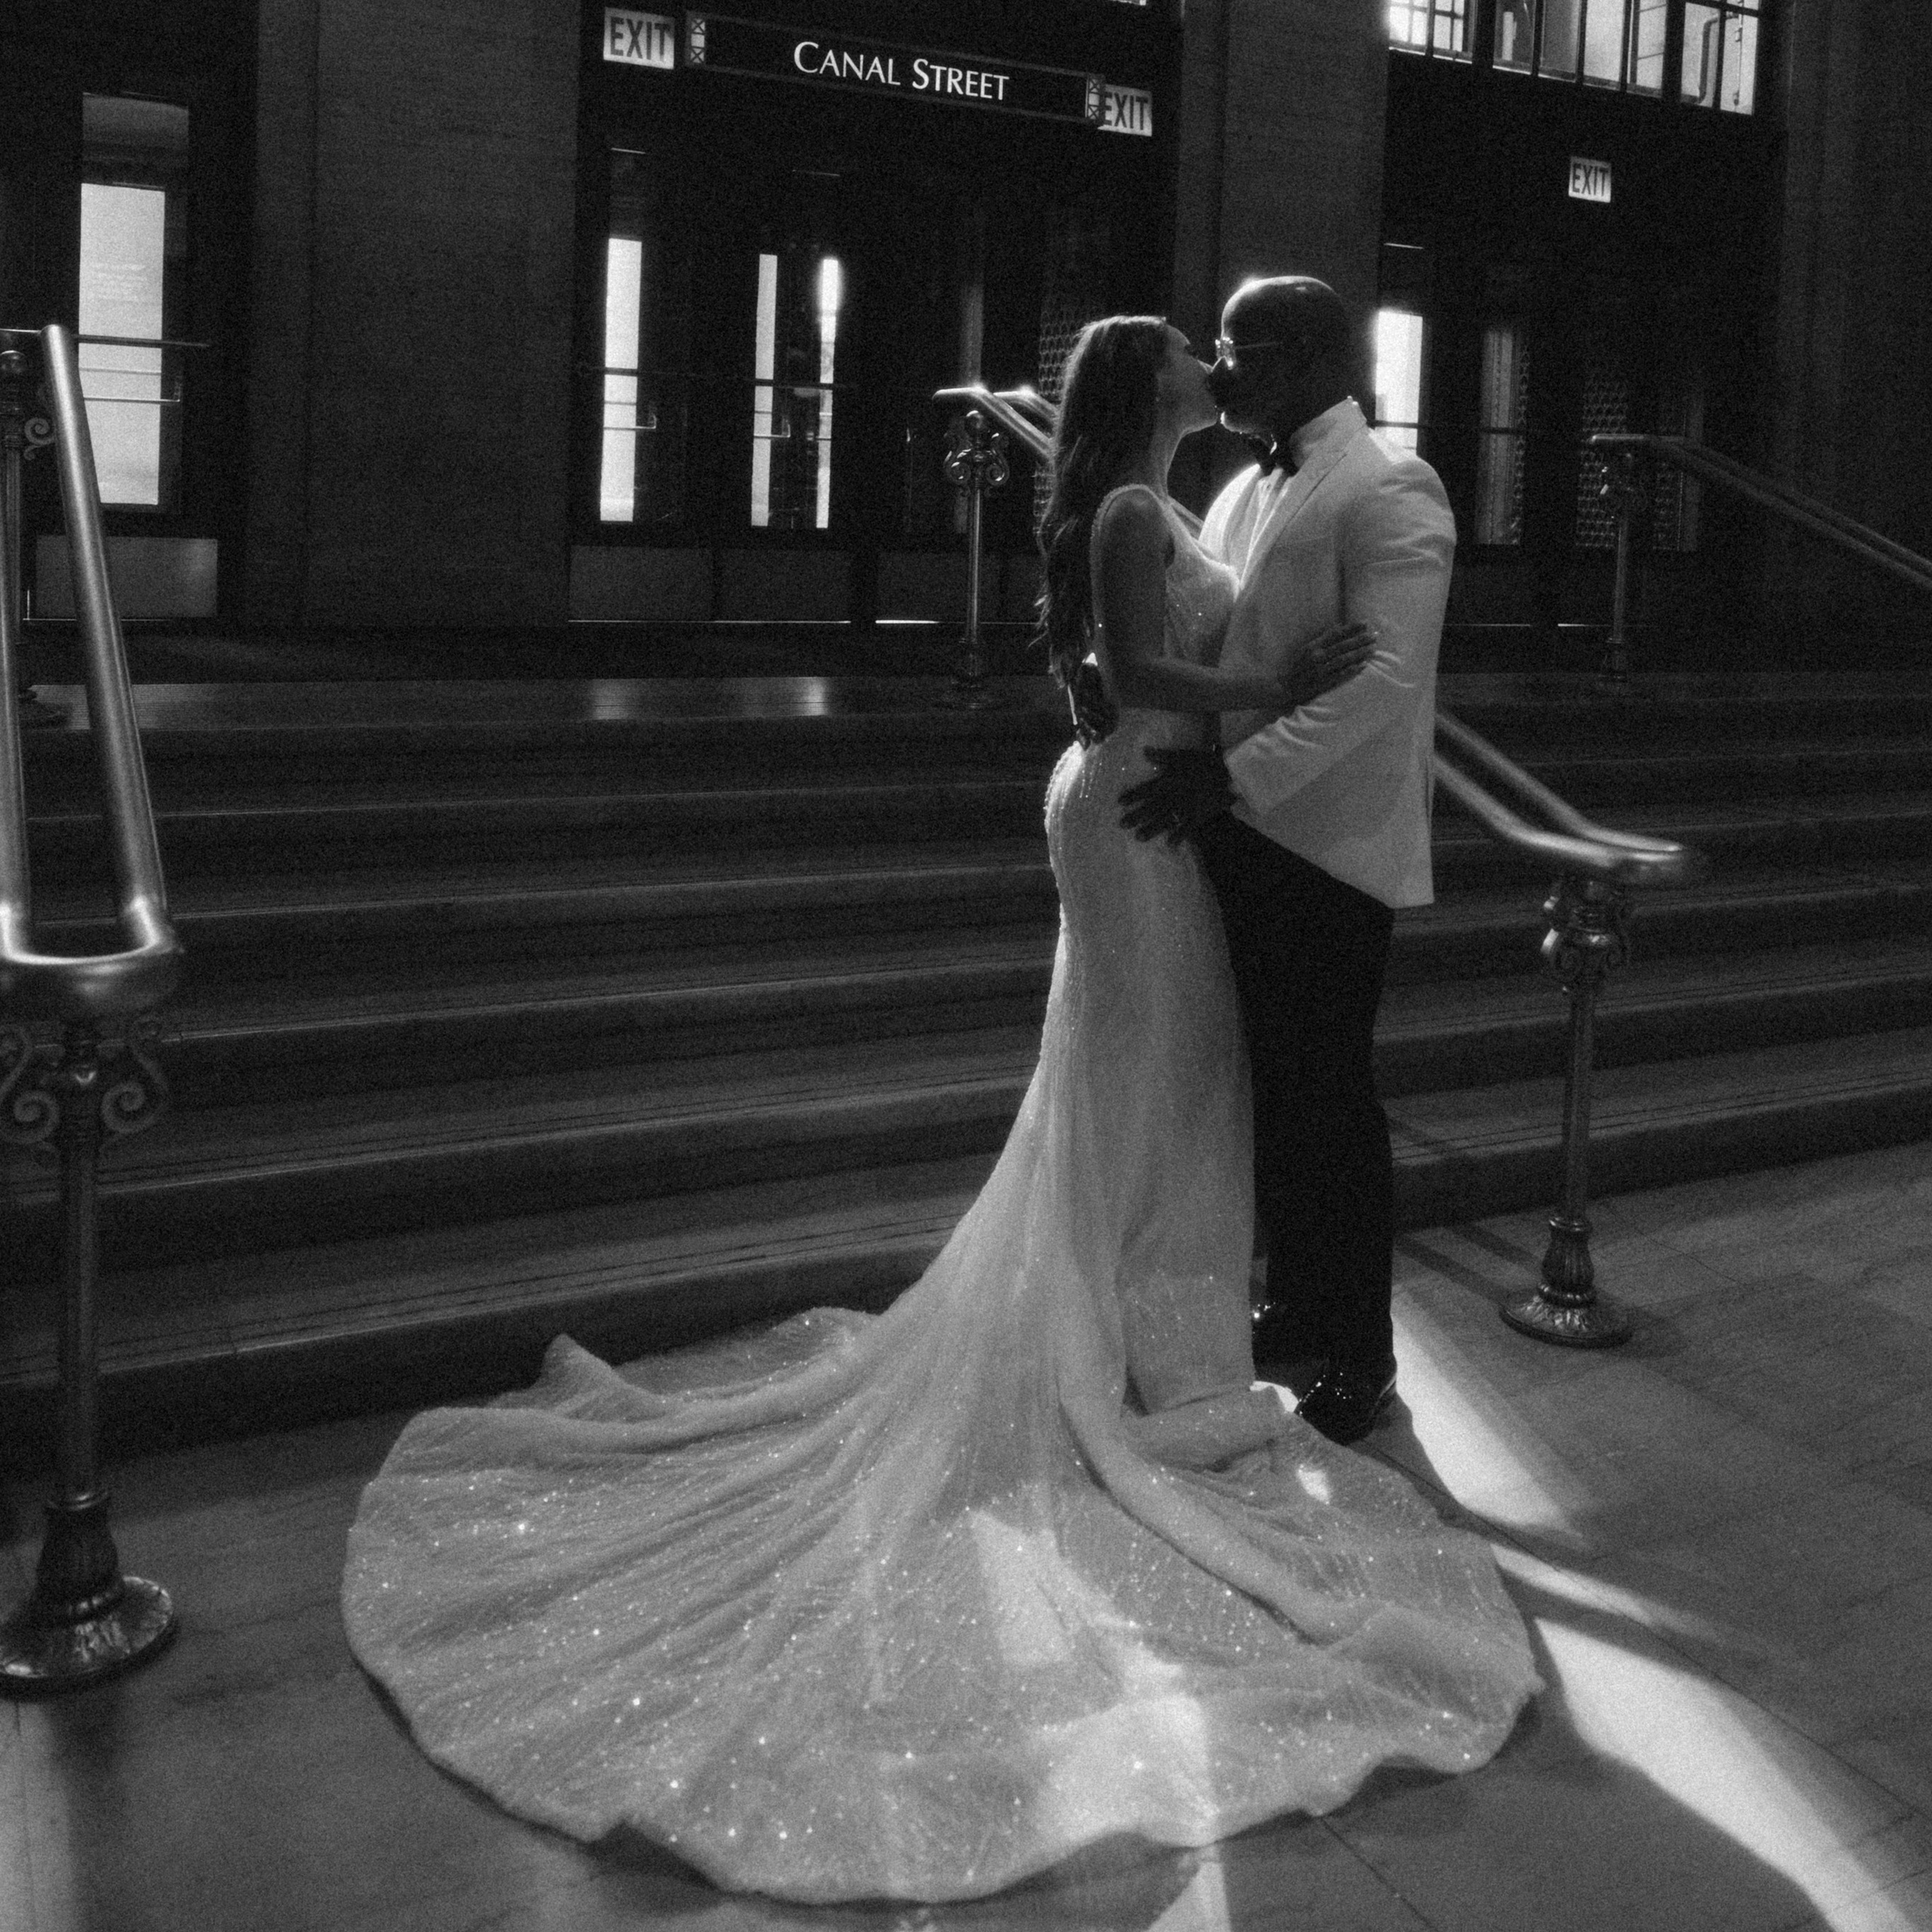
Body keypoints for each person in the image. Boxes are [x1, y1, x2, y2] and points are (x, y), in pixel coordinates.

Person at [340, 315, 1538, 1908]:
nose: (1210, 357)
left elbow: (1201, 658)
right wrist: (1263, 677)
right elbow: (1132, 672)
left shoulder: (1197, 500)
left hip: (1169, 812)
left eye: (1226, 342)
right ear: (1148, 389)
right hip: (1136, 812)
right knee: (1143, 1072)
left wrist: (1256, 696)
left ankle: (1155, 1318)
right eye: (1192, 349)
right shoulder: (1129, 512)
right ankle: (1135, 1332)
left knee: (1169, 1078)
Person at [1119, 275, 1454, 1447]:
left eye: (1238, 349)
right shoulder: (1234, 492)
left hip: (1330, 849)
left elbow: (1382, 684)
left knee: (1332, 1103)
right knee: (1273, 1095)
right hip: (1237, 840)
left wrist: (1236, 778)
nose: (1219, 370)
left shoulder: (1392, 486)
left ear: (1306, 355)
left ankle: (1363, 1351)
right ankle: (1297, 1300)